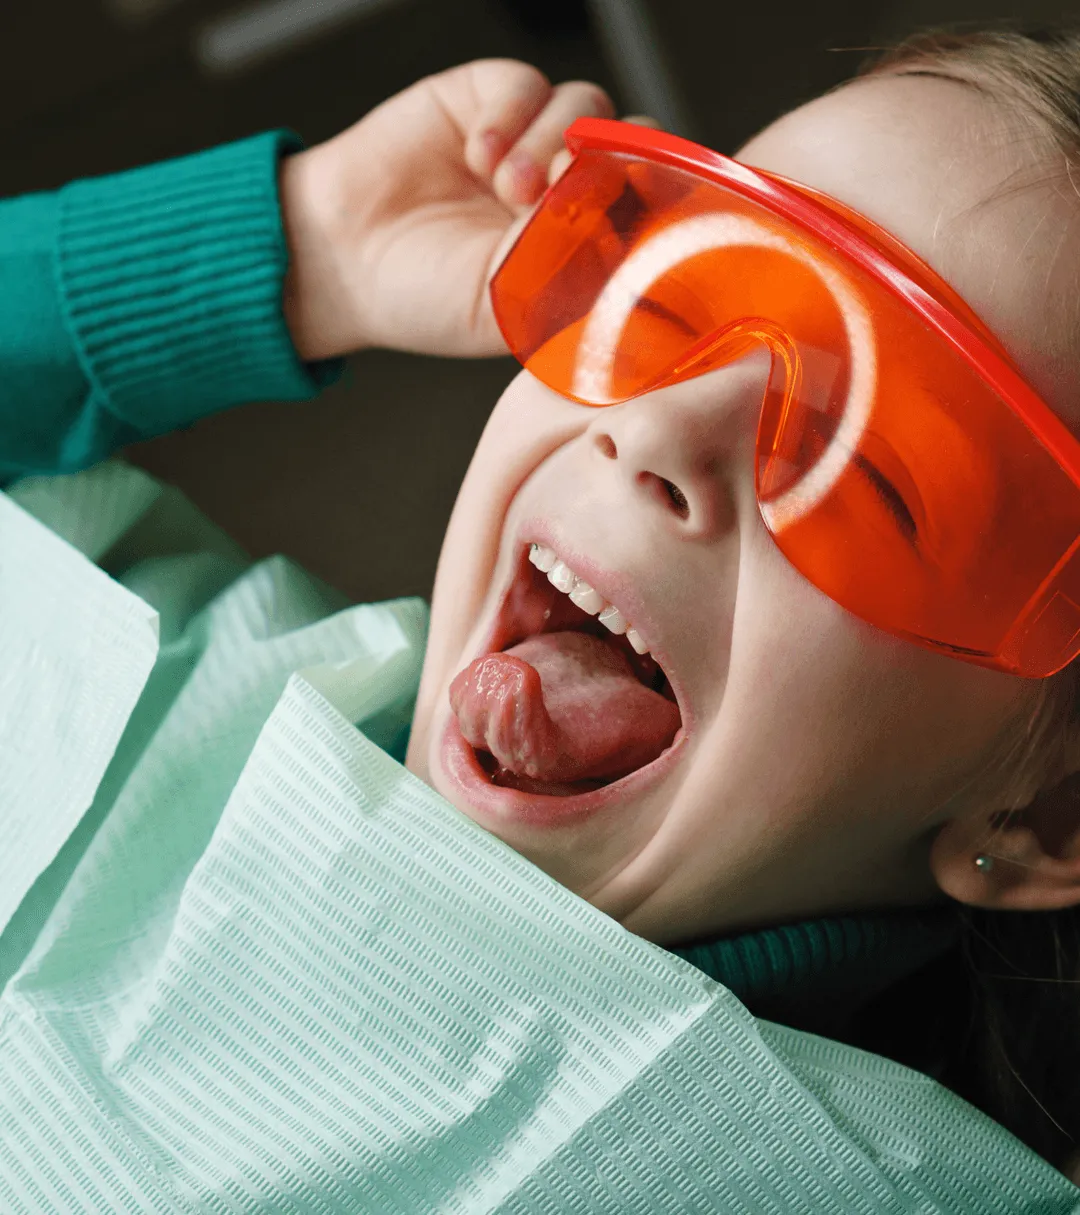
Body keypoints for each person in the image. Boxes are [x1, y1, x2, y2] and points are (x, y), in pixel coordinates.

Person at [2, 22, 1080, 1192]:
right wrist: (308, 248)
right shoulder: (149, 659)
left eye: (882, 478)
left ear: (1052, 815)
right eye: (676, 295)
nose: (657, 429)